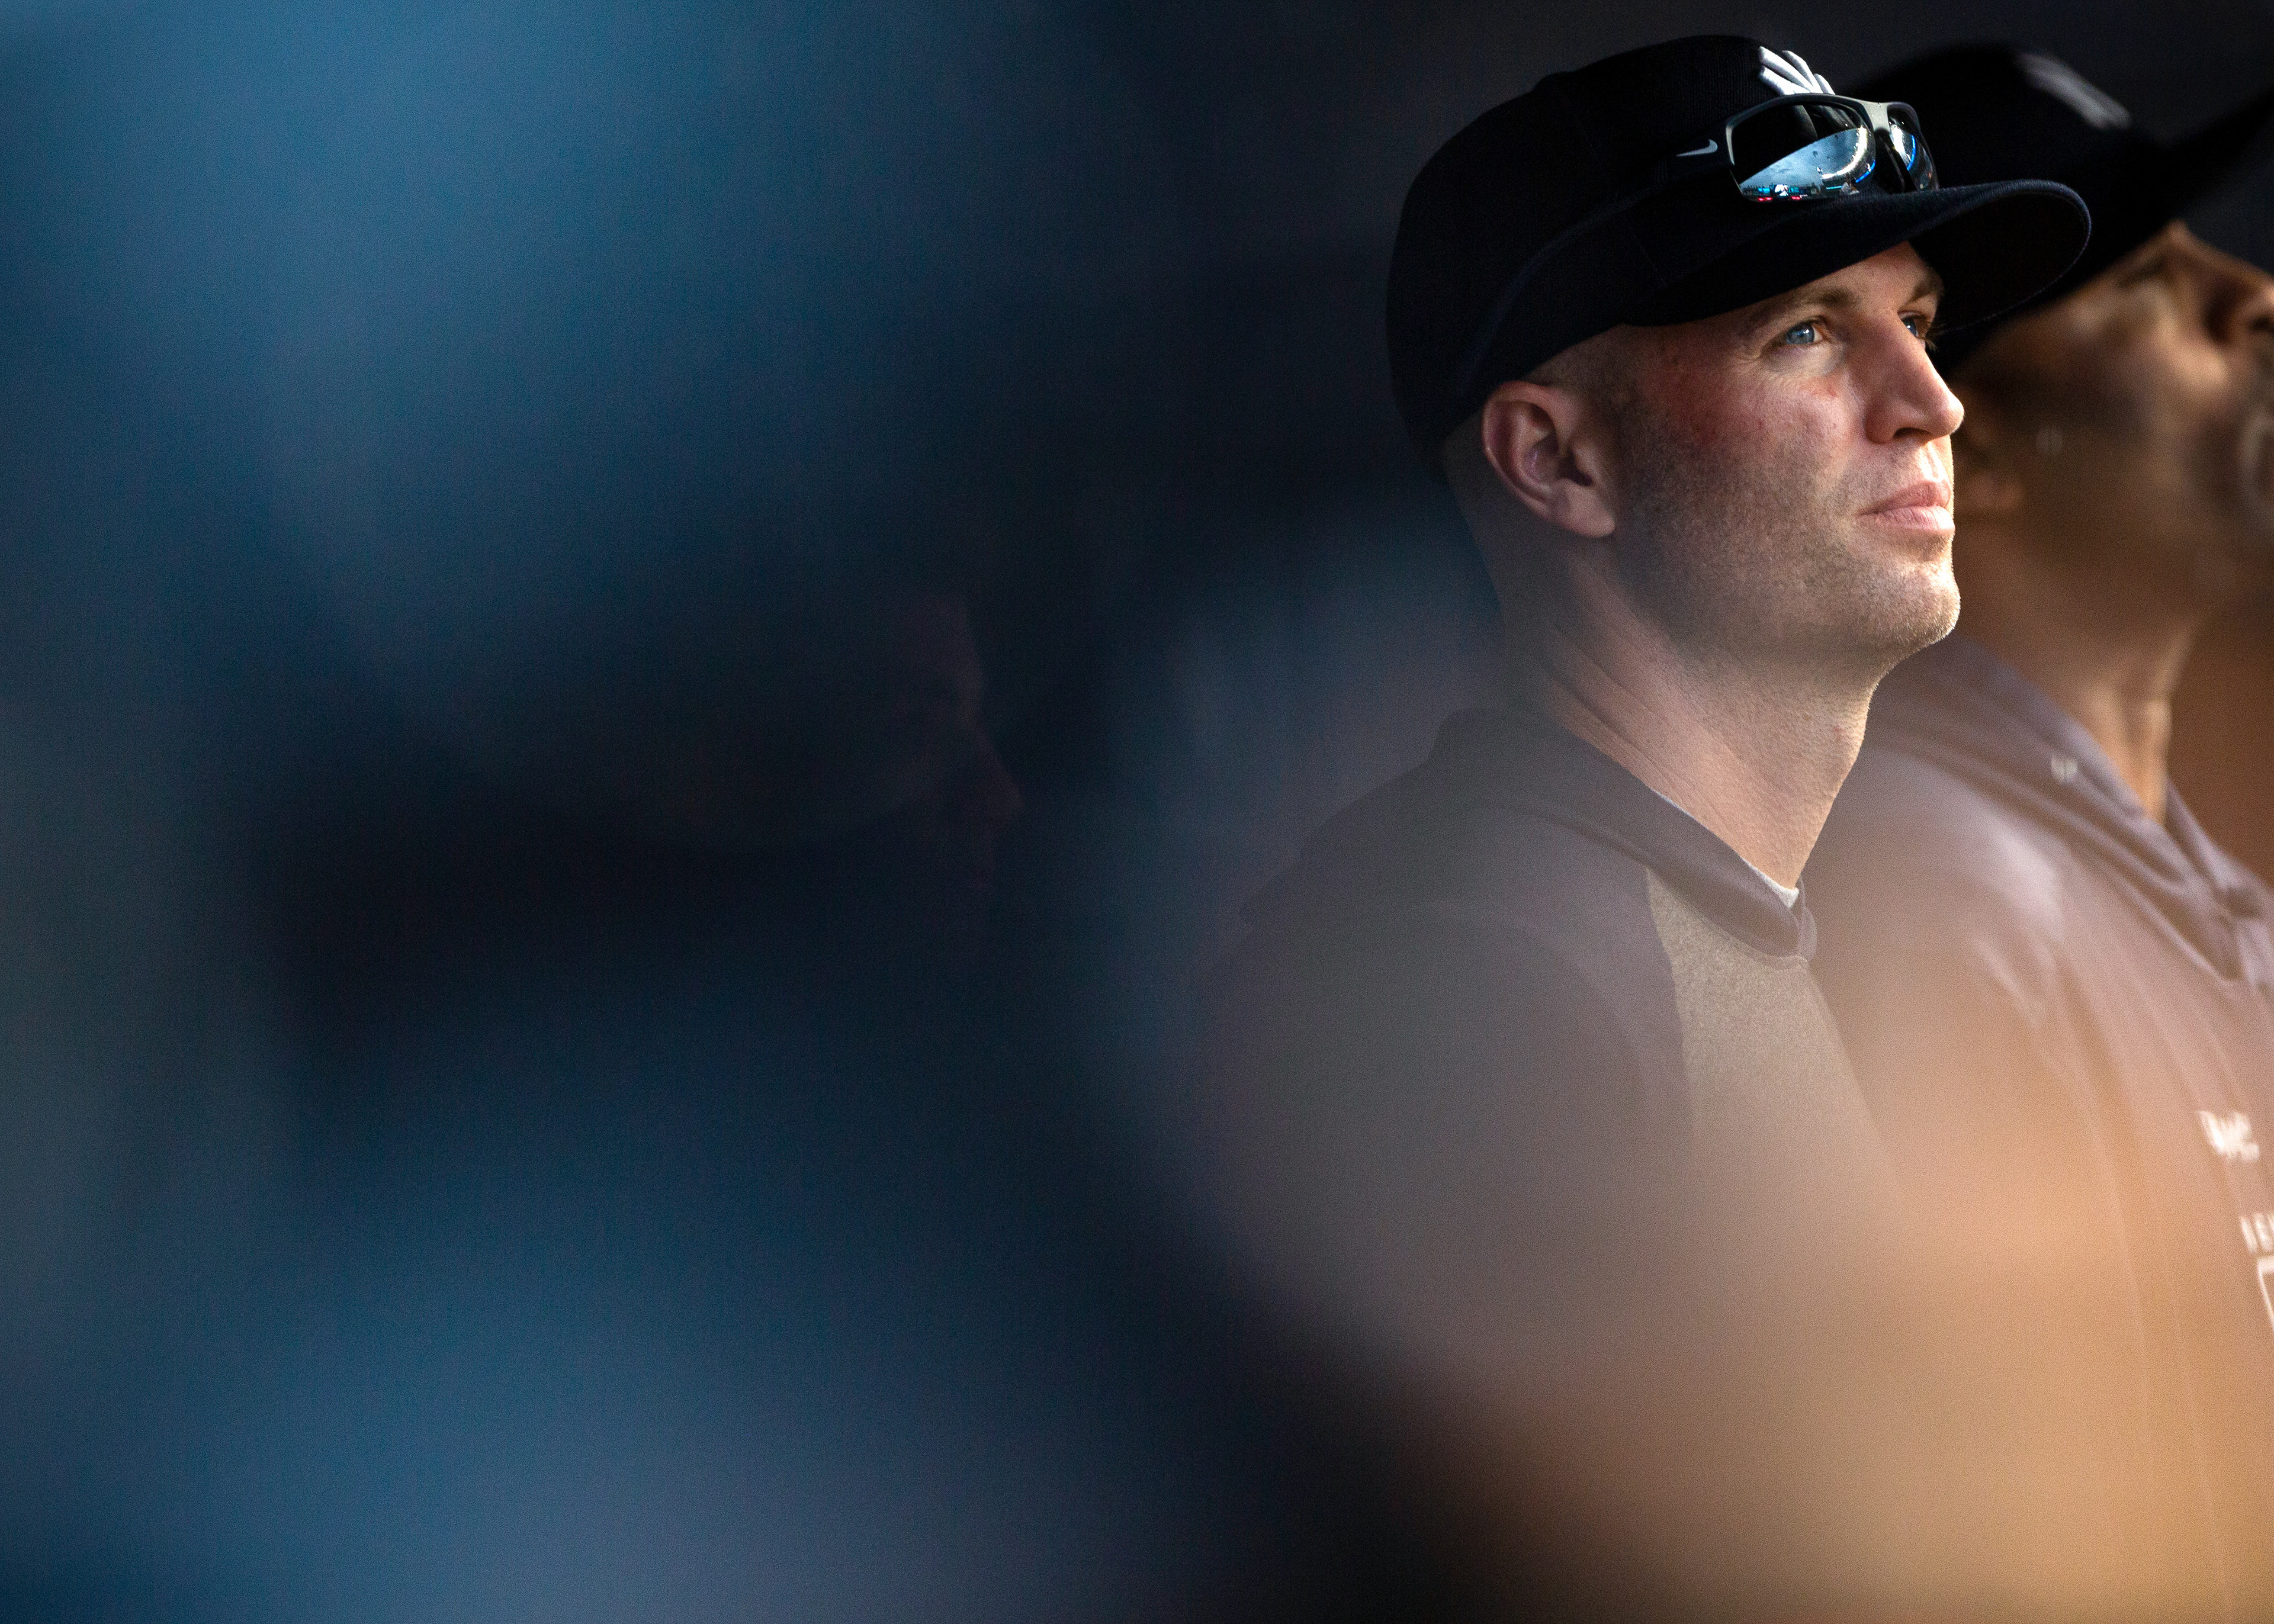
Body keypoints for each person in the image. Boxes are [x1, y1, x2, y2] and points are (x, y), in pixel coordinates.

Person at [1185, 34, 2087, 1619]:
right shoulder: (1476, 989)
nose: (1932, 402)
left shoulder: (1696, 917)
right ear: (1560, 457)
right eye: (1809, 334)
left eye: (1922, 326)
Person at [1804, 43, 2274, 1620]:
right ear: (1966, 447)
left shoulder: (2192, 899)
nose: (2253, 296)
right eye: (2144, 283)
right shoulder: (1936, 902)